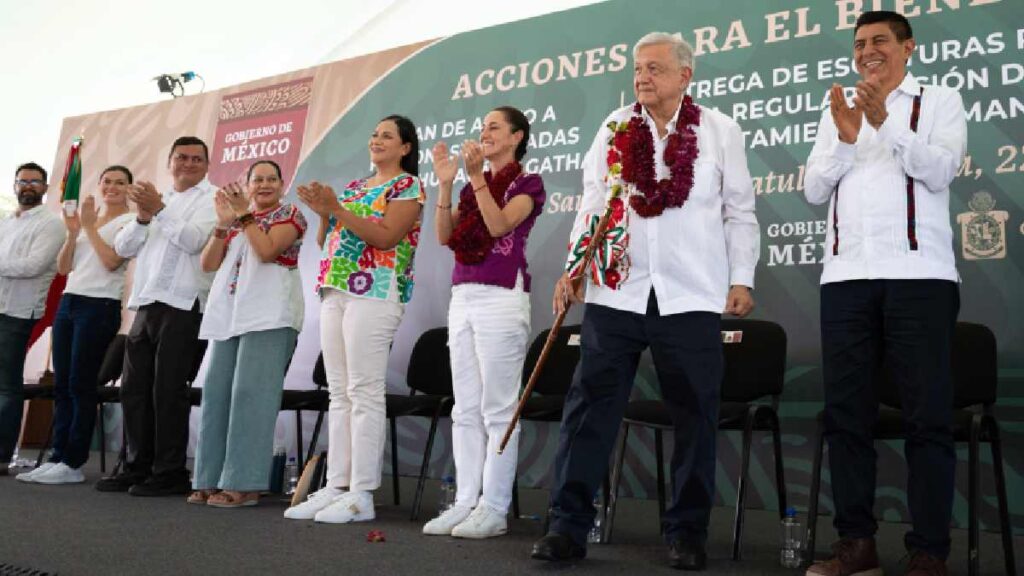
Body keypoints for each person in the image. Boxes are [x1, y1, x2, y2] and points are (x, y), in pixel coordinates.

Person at [530, 32, 759, 570]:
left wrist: (742, 278)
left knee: (695, 415)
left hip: (692, 293)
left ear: (685, 76)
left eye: (655, 68)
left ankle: (686, 532)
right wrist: (575, 267)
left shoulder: (720, 131)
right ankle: (566, 526)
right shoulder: (614, 127)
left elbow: (739, 211)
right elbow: (592, 202)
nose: (642, 77)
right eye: (638, 68)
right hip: (618, 290)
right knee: (589, 411)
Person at [803, 11, 965, 576]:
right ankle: (857, 544)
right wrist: (848, 139)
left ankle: (928, 551)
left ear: (907, 48)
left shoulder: (939, 99)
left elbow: (941, 171)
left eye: (879, 41)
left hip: (920, 278)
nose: (867, 51)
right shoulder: (839, 109)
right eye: (859, 44)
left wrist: (886, 124)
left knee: (927, 419)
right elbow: (812, 188)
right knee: (847, 417)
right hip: (845, 280)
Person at [285, 114, 424, 523]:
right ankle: (335, 486)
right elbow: (326, 241)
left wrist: (337, 210)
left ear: (405, 148)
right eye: (374, 133)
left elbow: (386, 238)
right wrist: (324, 214)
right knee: (340, 392)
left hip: (377, 291)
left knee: (364, 391)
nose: (377, 139)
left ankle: (362, 493)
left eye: (387, 136)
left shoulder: (407, 186)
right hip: (336, 289)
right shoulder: (355, 187)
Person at [422, 106, 546, 539]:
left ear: (516, 137)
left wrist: (475, 178)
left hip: (502, 298)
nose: (485, 132)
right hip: (464, 296)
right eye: (483, 126)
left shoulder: (527, 184)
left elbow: (497, 225)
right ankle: (465, 502)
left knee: (498, 409)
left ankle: (494, 507)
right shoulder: (471, 189)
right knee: (465, 409)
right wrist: (444, 182)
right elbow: (443, 235)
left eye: (494, 127)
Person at [95, 136, 217, 496]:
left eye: (197, 159)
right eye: (182, 157)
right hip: (146, 303)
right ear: (170, 162)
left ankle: (170, 471)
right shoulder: (155, 202)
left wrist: (159, 210)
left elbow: (195, 240)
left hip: (185, 304)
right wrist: (144, 217)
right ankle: (137, 466)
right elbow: (123, 247)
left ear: (207, 166)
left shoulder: (212, 199)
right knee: (134, 390)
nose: (189, 164)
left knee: (168, 391)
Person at [187, 159, 307, 508]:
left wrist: (243, 217)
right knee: (217, 396)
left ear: (283, 185)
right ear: (248, 184)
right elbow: (208, 264)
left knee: (251, 398)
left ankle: (245, 483)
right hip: (229, 318)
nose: (265, 184)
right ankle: (209, 478)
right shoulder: (238, 221)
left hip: (270, 317)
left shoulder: (291, 215)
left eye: (272, 178)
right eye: (258, 179)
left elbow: (268, 251)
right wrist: (223, 226)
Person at [16, 166, 134, 484]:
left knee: (81, 385)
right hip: (70, 302)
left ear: (129, 189)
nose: (112, 187)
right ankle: (58, 456)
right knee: (63, 384)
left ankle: (73, 462)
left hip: (100, 306)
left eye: (120, 183)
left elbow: (112, 262)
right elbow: (64, 267)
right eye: (107, 181)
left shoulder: (130, 222)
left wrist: (91, 228)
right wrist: (73, 233)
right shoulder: (85, 225)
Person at [0, 162, 65, 476]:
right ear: (14, 186)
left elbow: (34, 265)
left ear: (45, 188)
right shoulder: (7, 223)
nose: (28, 186)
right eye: (22, 181)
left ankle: (1, 456)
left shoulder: (52, 224)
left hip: (18, 312)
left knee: (7, 387)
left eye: (35, 181)